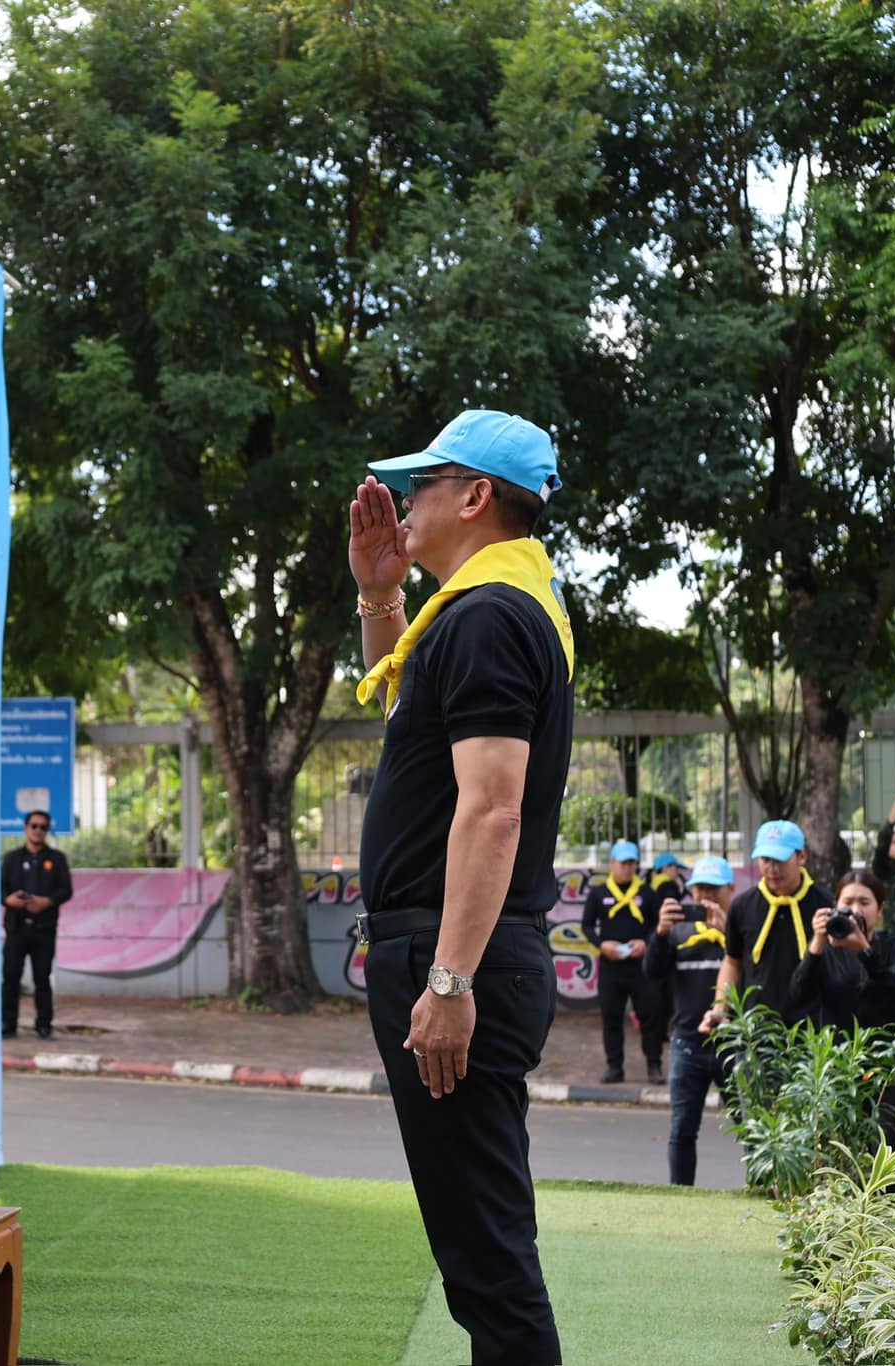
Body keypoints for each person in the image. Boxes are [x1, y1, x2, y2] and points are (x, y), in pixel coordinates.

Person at [350, 407, 572, 1364]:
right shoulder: (485, 608)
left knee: (488, 1266)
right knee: (482, 1254)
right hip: (454, 950)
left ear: (476, 496)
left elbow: (492, 812)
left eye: (422, 485)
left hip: (457, 955)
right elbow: (418, 728)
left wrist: (448, 981)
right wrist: (380, 598)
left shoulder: (486, 616)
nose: (403, 503)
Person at [789, 870, 895, 1146]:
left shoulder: (894, 945)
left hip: (887, 1071)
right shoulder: (826, 950)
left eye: (864, 902)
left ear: (880, 909)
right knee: (837, 1151)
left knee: (889, 1151)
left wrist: (865, 951)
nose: (856, 911)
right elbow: (798, 994)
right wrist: (817, 943)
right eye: (848, 902)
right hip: (838, 1068)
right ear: (835, 906)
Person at [647, 855, 736, 1185]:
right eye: (700, 889)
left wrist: (729, 934)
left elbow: (759, 973)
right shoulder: (678, 930)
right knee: (682, 1128)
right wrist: (660, 933)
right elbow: (652, 973)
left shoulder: (743, 929)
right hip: (687, 1043)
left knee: (751, 1126)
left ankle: (762, 1191)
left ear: (731, 889)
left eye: (714, 889)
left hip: (735, 1042)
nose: (706, 897)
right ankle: (680, 1195)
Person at [704, 819, 831, 1032]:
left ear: (802, 856)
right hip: (757, 1029)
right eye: (765, 859)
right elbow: (732, 962)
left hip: (812, 1029)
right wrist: (719, 1008)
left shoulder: (825, 904)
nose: (772, 869)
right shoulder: (742, 906)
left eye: (780, 860)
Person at [582, 839, 668, 1083]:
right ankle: (614, 1067)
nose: (628, 868)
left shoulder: (647, 893)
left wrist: (646, 943)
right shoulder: (599, 893)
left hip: (641, 968)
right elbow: (587, 925)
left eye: (632, 863)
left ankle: (654, 1066)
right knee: (611, 1018)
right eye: (623, 863)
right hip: (611, 967)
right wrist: (602, 945)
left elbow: (658, 925)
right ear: (612, 863)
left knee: (650, 1017)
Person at [0, 810, 72, 1039]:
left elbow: (66, 890)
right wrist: (8, 900)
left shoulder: (57, 859)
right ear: (25, 828)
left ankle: (44, 1025)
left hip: (44, 929)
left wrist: (47, 902)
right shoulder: (11, 858)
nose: (38, 831)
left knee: (42, 978)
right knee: (11, 978)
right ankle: (8, 1024)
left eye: (43, 827)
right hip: (16, 928)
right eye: (34, 826)